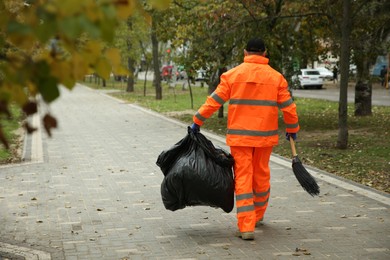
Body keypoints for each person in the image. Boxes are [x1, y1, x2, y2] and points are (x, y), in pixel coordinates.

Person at [190, 38, 300, 240]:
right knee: (261, 175)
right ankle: (257, 215)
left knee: (243, 178)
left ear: (245, 52)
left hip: (240, 138)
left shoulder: (232, 75)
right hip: (265, 139)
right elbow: (289, 108)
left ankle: (246, 226)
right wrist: (292, 129)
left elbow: (214, 101)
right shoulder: (276, 78)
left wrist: (198, 121)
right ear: (265, 53)